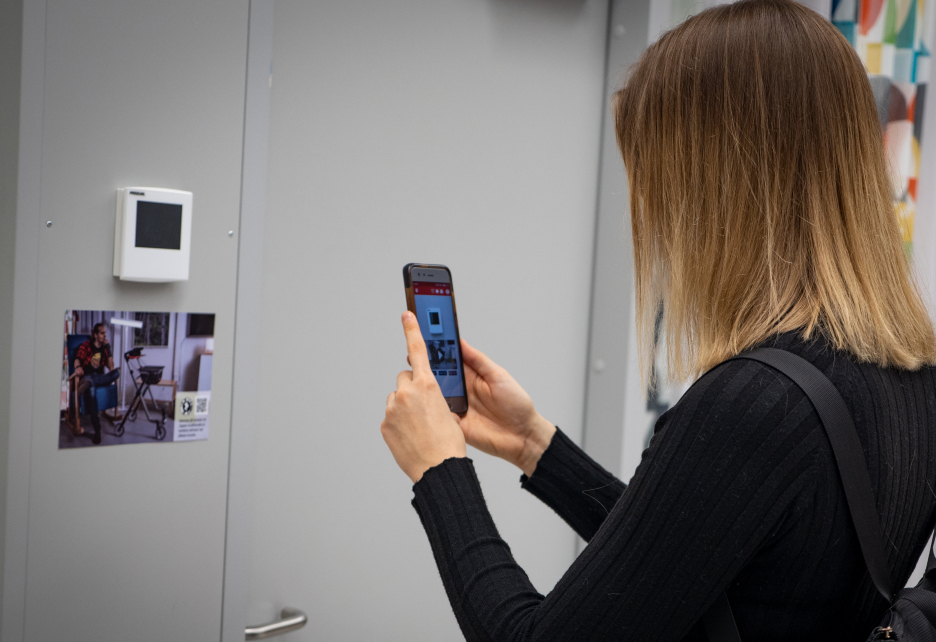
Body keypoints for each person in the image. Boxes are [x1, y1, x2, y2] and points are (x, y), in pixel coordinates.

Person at [380, 1, 936, 640]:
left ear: (720, 190)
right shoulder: (912, 373)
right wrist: (537, 446)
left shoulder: (755, 403)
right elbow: (699, 558)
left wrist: (439, 470)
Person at [72, 322, 120, 444]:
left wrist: (108, 348)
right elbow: (78, 358)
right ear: (95, 334)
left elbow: (111, 367)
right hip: (86, 377)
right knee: (91, 388)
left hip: (98, 378)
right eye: (102, 333)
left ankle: (91, 382)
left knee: (116, 373)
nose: (105, 335)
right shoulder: (86, 345)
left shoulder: (104, 348)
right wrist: (77, 367)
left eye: (105, 333)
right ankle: (97, 431)